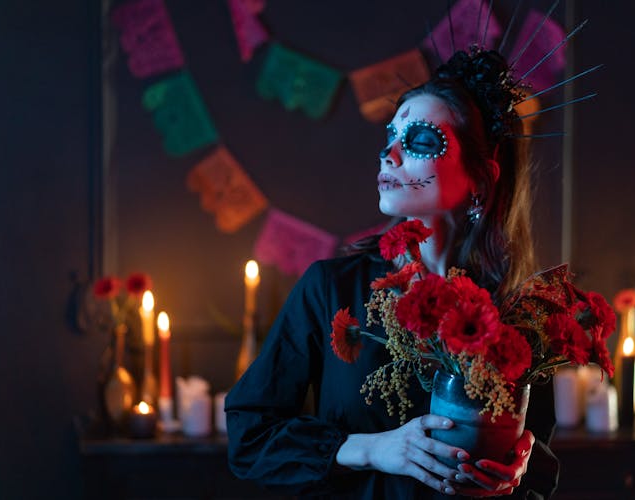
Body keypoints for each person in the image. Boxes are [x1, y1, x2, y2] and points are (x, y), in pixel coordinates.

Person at [225, 44, 559, 499]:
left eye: (420, 140)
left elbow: (539, 464)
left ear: (480, 179)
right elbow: (250, 434)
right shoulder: (331, 288)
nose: (390, 155)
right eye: (390, 137)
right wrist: (370, 449)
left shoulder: (516, 310)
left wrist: (517, 465)